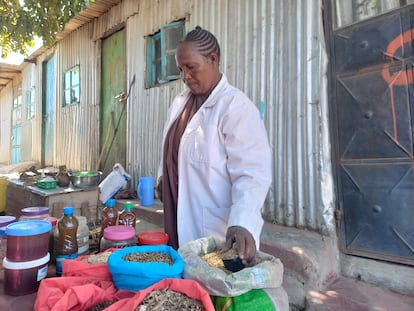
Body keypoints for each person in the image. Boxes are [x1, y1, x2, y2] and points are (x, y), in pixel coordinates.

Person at [157, 26, 271, 265]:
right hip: (178, 217)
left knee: (214, 292)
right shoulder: (180, 104)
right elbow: (170, 149)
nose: (185, 76)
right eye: (180, 69)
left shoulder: (235, 107)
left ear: (213, 59)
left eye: (191, 67)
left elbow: (252, 172)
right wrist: (162, 178)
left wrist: (243, 221)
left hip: (214, 231)